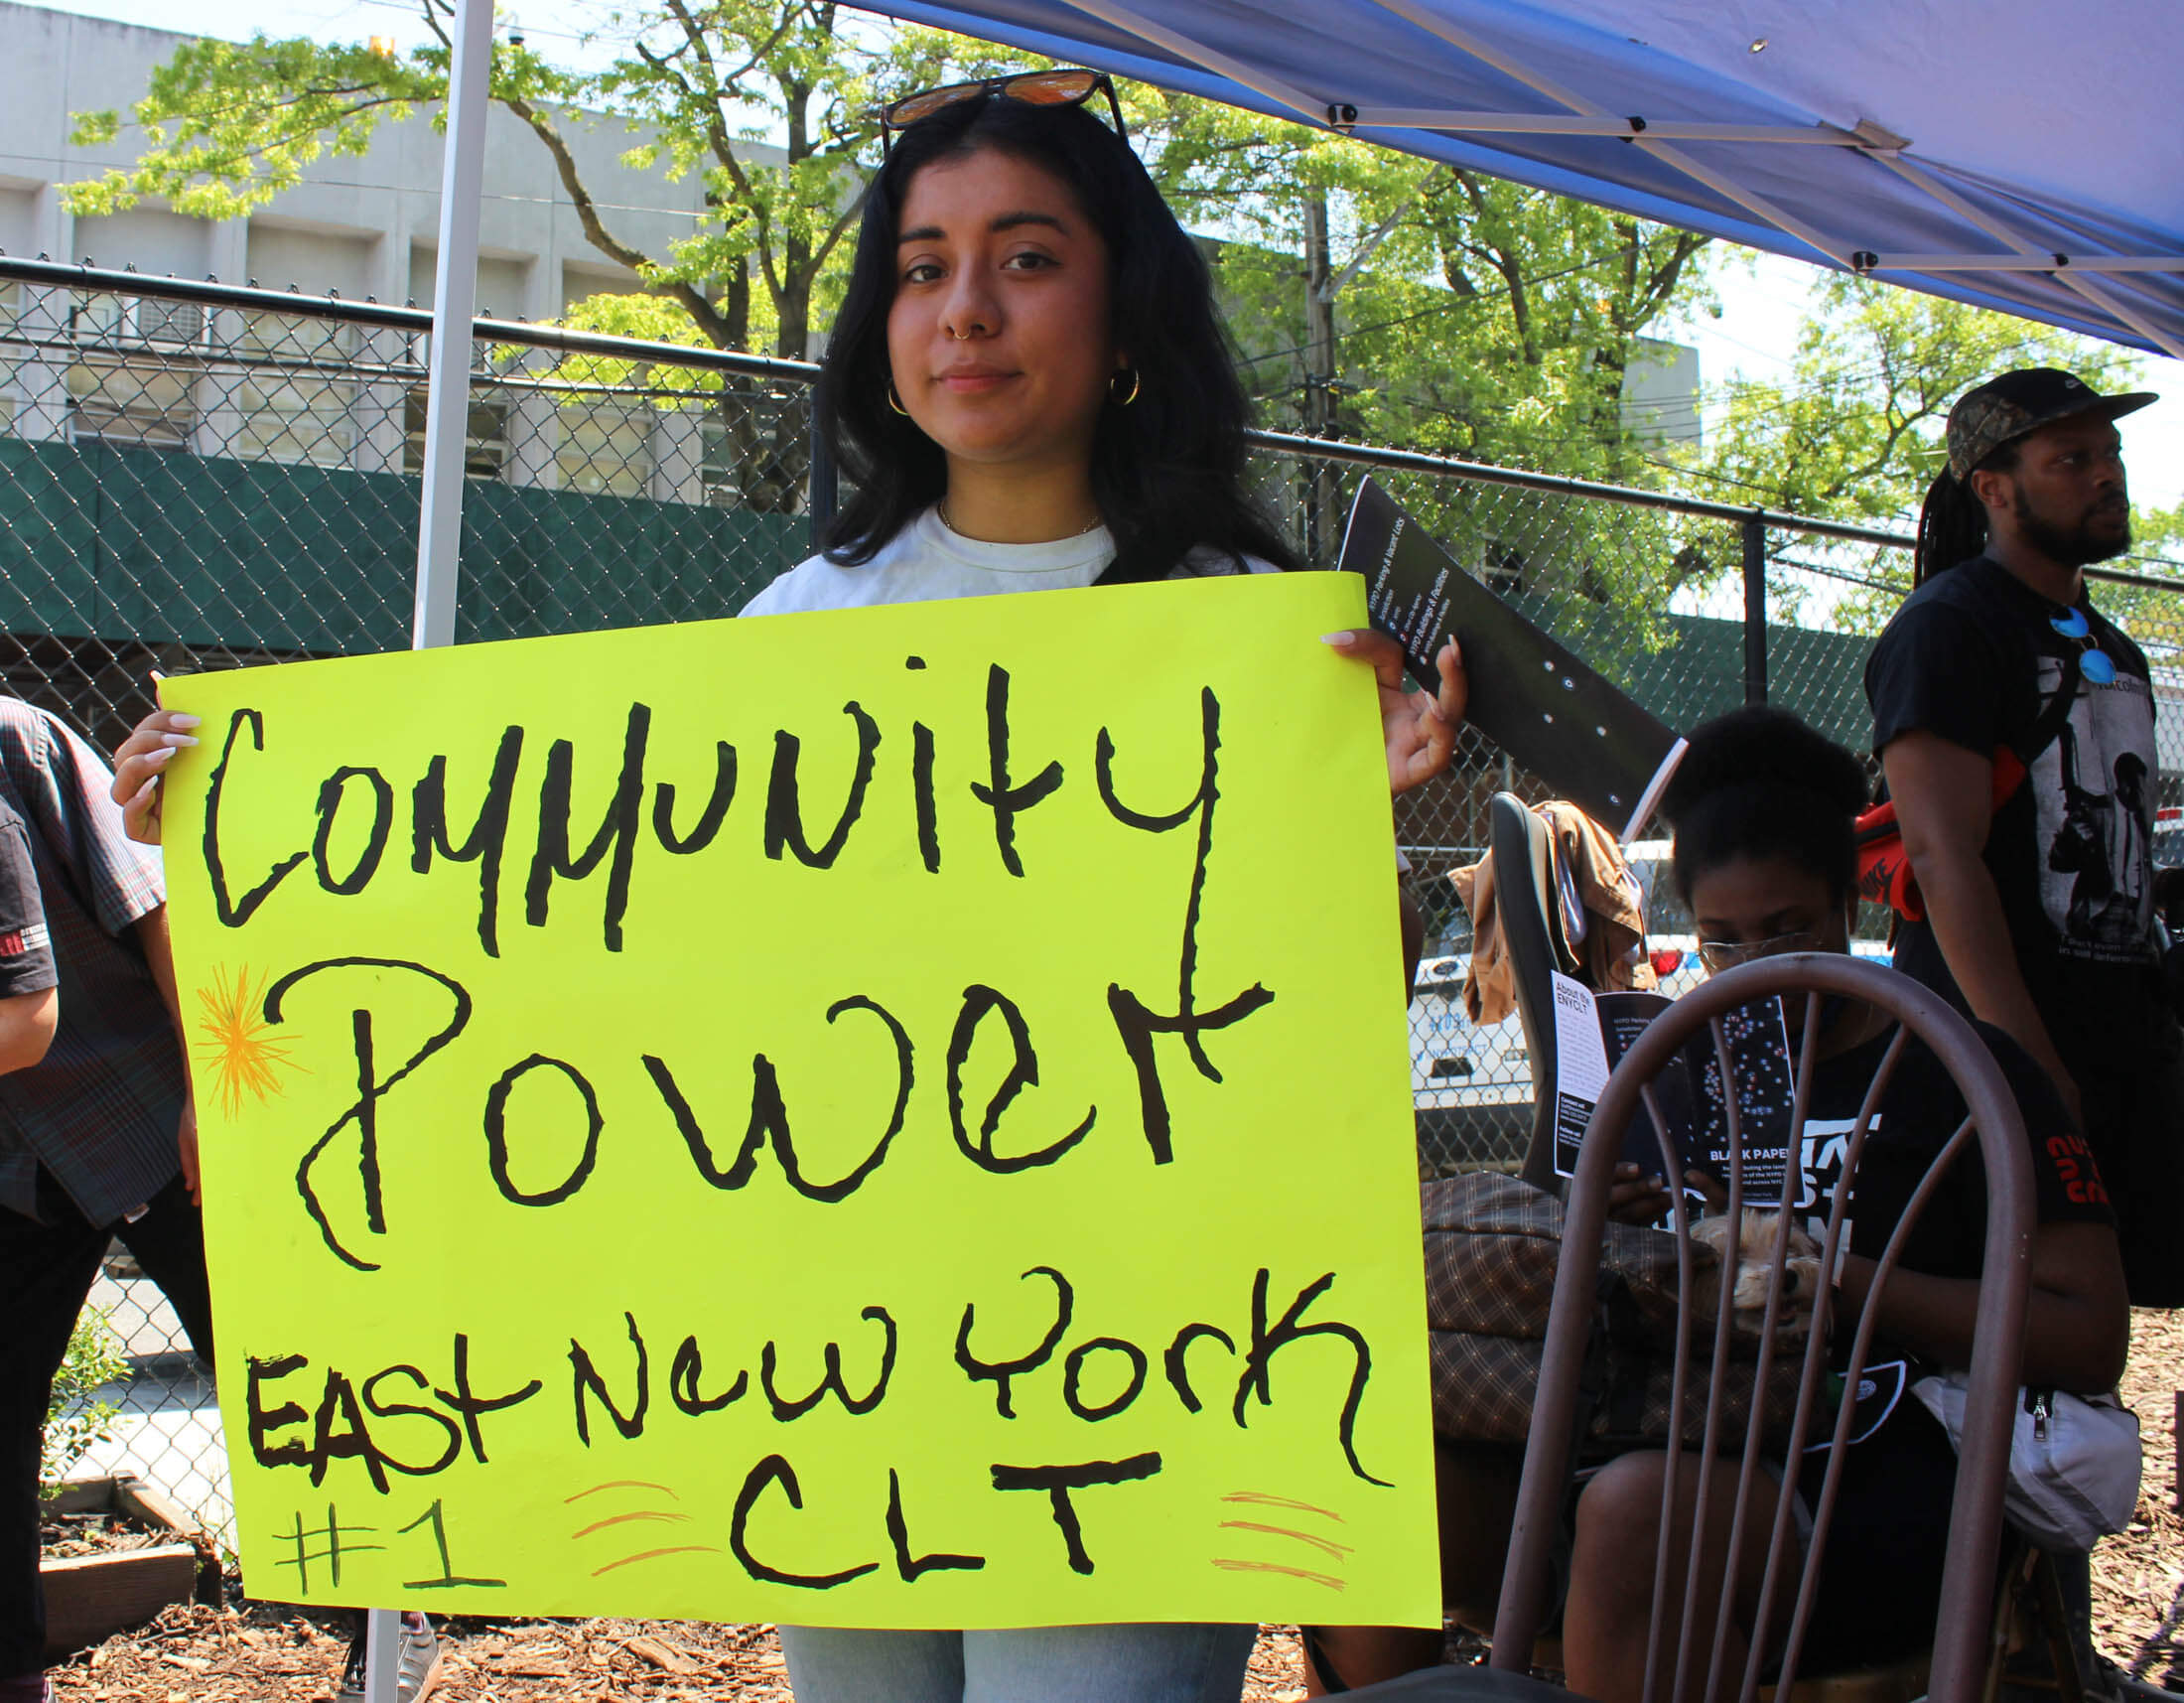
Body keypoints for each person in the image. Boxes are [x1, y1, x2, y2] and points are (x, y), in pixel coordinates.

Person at [113, 67, 1463, 1703]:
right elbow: (592, 972)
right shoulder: (793, 633)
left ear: (1128, 322)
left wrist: (1364, 807)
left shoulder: (1263, 636)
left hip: (1135, 1381)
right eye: (921, 265)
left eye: (1027, 257)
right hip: (837, 1374)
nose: (965, 307)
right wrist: (255, 830)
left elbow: (1312, 1047)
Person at [1557, 707, 2127, 1703]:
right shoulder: (1674, 1071)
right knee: (1471, 1480)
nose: (1762, 971)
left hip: (1896, 1464)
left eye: (1791, 929)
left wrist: (1836, 1278)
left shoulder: (1959, 1070)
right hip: (1698, 1423)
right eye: (1723, 942)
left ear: (1847, 911)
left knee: (1634, 1517)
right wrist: (1621, 1224)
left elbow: (2089, 1336)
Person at [1862, 366, 2184, 1307]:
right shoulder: (1949, 627)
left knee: (2119, 1304)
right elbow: (1941, 853)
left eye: (2111, 454)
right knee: (2020, 1319)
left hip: (2119, 1035)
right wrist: (2027, 1067)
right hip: (1996, 1050)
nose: (2106, 476)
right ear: (1994, 489)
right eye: (2071, 458)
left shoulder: (2114, 647)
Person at [0, 701, 208, 1703]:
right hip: (15, 1157)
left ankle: (390, 1619)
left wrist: (212, 1087)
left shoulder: (18, 741)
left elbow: (157, 906)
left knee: (268, 1372)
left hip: (147, 1101)